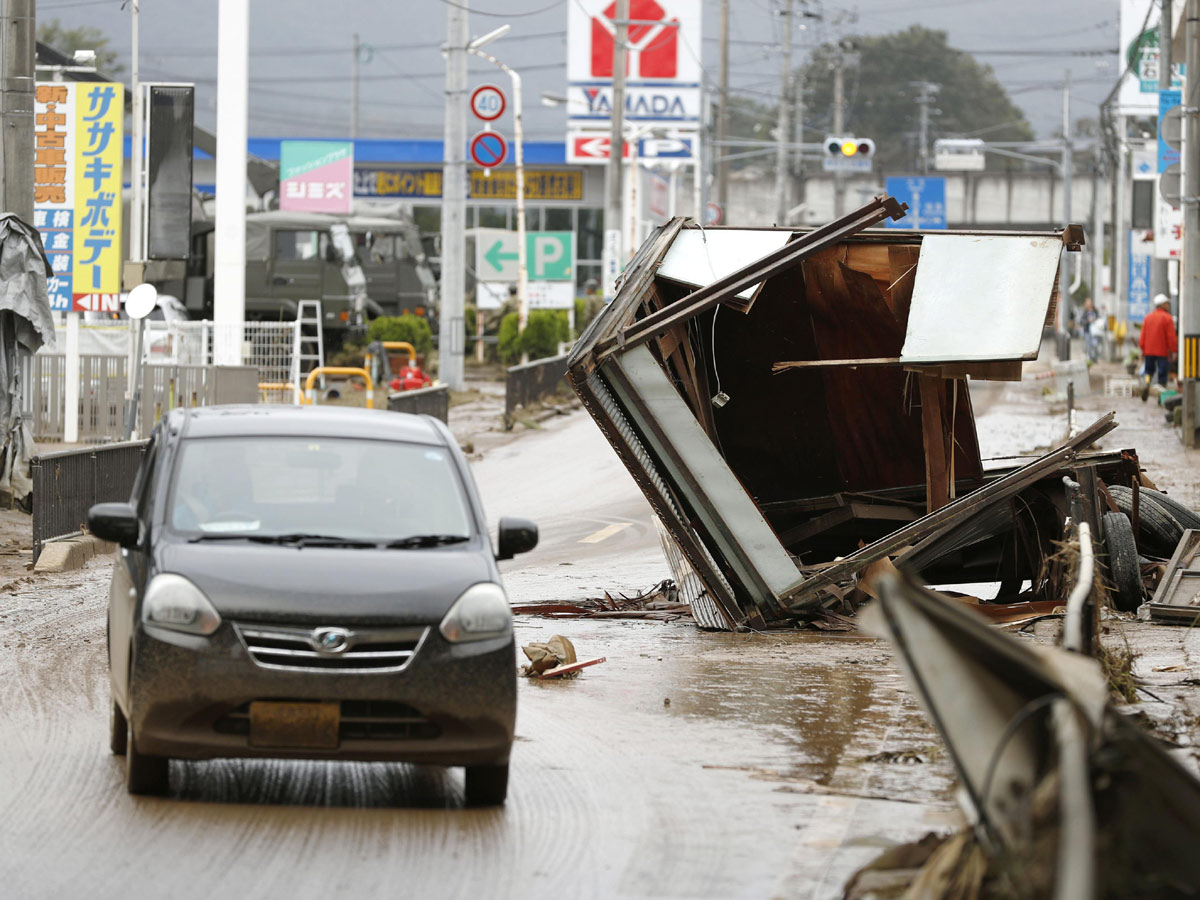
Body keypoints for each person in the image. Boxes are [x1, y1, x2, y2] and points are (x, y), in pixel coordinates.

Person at [1139, 293, 1178, 402]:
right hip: (1162, 351)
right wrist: (1174, 350)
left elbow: (1143, 335)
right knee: (1162, 374)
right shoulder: (1167, 318)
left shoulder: (1148, 317)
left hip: (1149, 350)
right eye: (1167, 303)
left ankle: (1147, 383)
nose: (1168, 306)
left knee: (1148, 370)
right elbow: (1171, 337)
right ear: (1162, 305)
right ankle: (1161, 397)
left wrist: (1142, 349)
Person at [1079, 298, 1100, 362]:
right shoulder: (1085, 312)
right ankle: (1090, 358)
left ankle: (1095, 357)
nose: (1089, 304)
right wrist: (1088, 321)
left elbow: (1099, 318)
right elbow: (1081, 321)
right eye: (1088, 303)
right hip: (1087, 331)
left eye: (1090, 303)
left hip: (1095, 331)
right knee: (1088, 345)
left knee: (1095, 344)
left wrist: (1096, 320)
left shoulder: (1095, 311)